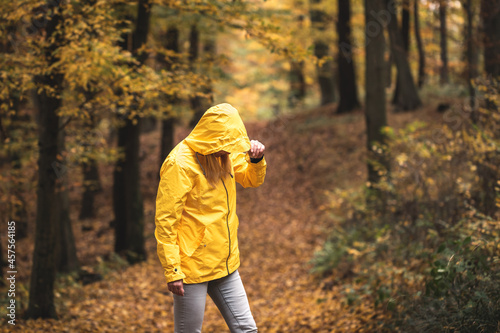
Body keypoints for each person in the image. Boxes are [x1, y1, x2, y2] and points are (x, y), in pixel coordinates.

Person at [154, 103, 267, 333]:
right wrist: (173, 270)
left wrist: (256, 161)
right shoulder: (180, 164)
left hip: (224, 262)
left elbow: (250, 180)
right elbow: (166, 221)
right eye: (225, 146)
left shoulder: (222, 153)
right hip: (192, 268)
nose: (229, 151)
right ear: (212, 139)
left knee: (247, 330)